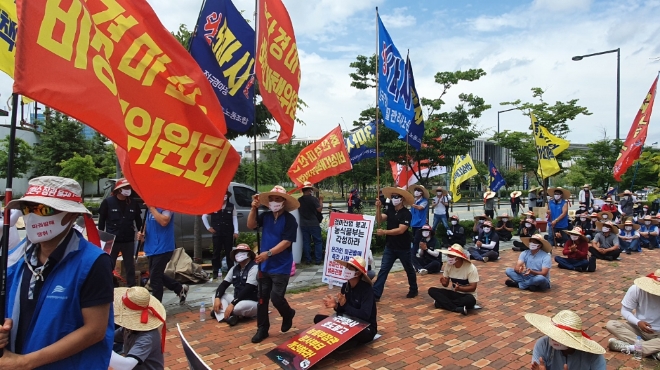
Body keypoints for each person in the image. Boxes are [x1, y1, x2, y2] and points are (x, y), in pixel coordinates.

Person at [0, 176, 114, 368]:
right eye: (28, 208)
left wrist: (25, 363)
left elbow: (95, 330)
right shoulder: (14, 258)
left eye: (44, 210)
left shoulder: (93, 262)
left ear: (70, 215)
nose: (33, 216)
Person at [247, 186, 299, 343]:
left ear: (283, 201)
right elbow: (251, 225)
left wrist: (268, 253)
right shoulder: (266, 216)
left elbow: (286, 242)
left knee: (276, 297)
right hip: (264, 265)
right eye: (272, 199)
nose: (274, 202)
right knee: (262, 298)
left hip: (281, 265)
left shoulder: (290, 220)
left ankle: (287, 313)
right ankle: (262, 328)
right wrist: (253, 209)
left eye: (278, 199)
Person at [318, 256, 377, 347]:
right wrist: (336, 306)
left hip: (365, 326)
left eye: (350, 268)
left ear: (357, 273)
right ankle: (346, 339)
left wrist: (345, 306)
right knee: (318, 318)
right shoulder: (346, 286)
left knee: (361, 335)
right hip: (347, 322)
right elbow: (343, 311)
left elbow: (365, 315)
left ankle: (347, 340)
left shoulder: (366, 290)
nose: (346, 270)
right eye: (346, 268)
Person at [373, 187, 418, 301]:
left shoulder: (406, 214)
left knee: (409, 269)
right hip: (390, 246)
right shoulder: (390, 209)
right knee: (384, 269)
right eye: (392, 197)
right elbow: (379, 219)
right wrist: (378, 208)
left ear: (402, 199)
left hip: (403, 247)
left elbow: (401, 230)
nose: (393, 199)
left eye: (396, 197)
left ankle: (413, 289)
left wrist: (384, 232)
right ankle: (376, 294)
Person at [98, 178, 143, 287]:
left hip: (128, 238)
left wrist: (141, 232)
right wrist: (100, 237)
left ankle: (131, 287)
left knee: (129, 265)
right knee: (110, 264)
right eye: (125, 188)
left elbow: (138, 220)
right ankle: (110, 285)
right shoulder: (108, 202)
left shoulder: (133, 203)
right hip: (112, 239)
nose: (127, 190)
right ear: (119, 189)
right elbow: (102, 220)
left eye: (128, 188)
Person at [606, 269, 660, 360]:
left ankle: (630, 348)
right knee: (611, 324)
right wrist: (638, 322)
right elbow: (625, 310)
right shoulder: (636, 289)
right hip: (639, 329)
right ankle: (652, 349)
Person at [138, 207, 188, 303]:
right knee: (156, 275)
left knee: (155, 278)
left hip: (163, 247)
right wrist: (142, 234)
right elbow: (147, 224)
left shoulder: (166, 207)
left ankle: (157, 305)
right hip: (151, 248)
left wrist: (151, 207)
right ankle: (179, 288)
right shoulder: (149, 209)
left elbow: (164, 221)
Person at [526, 310, 606, 369]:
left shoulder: (593, 356)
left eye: (559, 337)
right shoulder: (543, 345)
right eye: (553, 334)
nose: (554, 339)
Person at [110, 287, 166, 370]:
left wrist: (102, 348)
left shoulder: (146, 338)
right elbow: (110, 337)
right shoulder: (128, 329)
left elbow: (126, 366)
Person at [212, 244, 258, 326]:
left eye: (242, 252)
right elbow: (223, 285)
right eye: (237, 252)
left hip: (253, 301)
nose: (239, 254)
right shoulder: (234, 269)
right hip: (237, 299)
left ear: (249, 254)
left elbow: (248, 289)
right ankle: (227, 317)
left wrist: (232, 304)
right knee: (215, 296)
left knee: (239, 307)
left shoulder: (254, 268)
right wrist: (217, 298)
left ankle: (223, 312)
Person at [428, 244, 479, 316]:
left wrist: (460, 288)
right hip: (455, 293)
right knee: (432, 290)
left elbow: (473, 287)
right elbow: (446, 284)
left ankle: (442, 304)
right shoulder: (448, 266)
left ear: (458, 257)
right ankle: (456, 308)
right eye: (448, 255)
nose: (449, 258)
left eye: (451, 256)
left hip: (467, 295)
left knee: (470, 300)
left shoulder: (470, 268)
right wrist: (444, 282)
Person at [202, 190, 238, 279]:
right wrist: (208, 227)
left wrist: (236, 231)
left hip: (228, 232)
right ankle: (215, 271)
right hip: (217, 232)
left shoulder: (231, 206)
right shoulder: (213, 206)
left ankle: (231, 271)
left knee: (229, 252)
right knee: (216, 252)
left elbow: (234, 219)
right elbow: (204, 216)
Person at [297, 181, 324, 265]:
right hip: (314, 223)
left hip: (303, 224)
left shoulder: (299, 200)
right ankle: (318, 260)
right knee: (318, 241)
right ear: (310, 190)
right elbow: (319, 209)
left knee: (306, 242)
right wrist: (321, 201)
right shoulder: (313, 199)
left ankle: (308, 260)